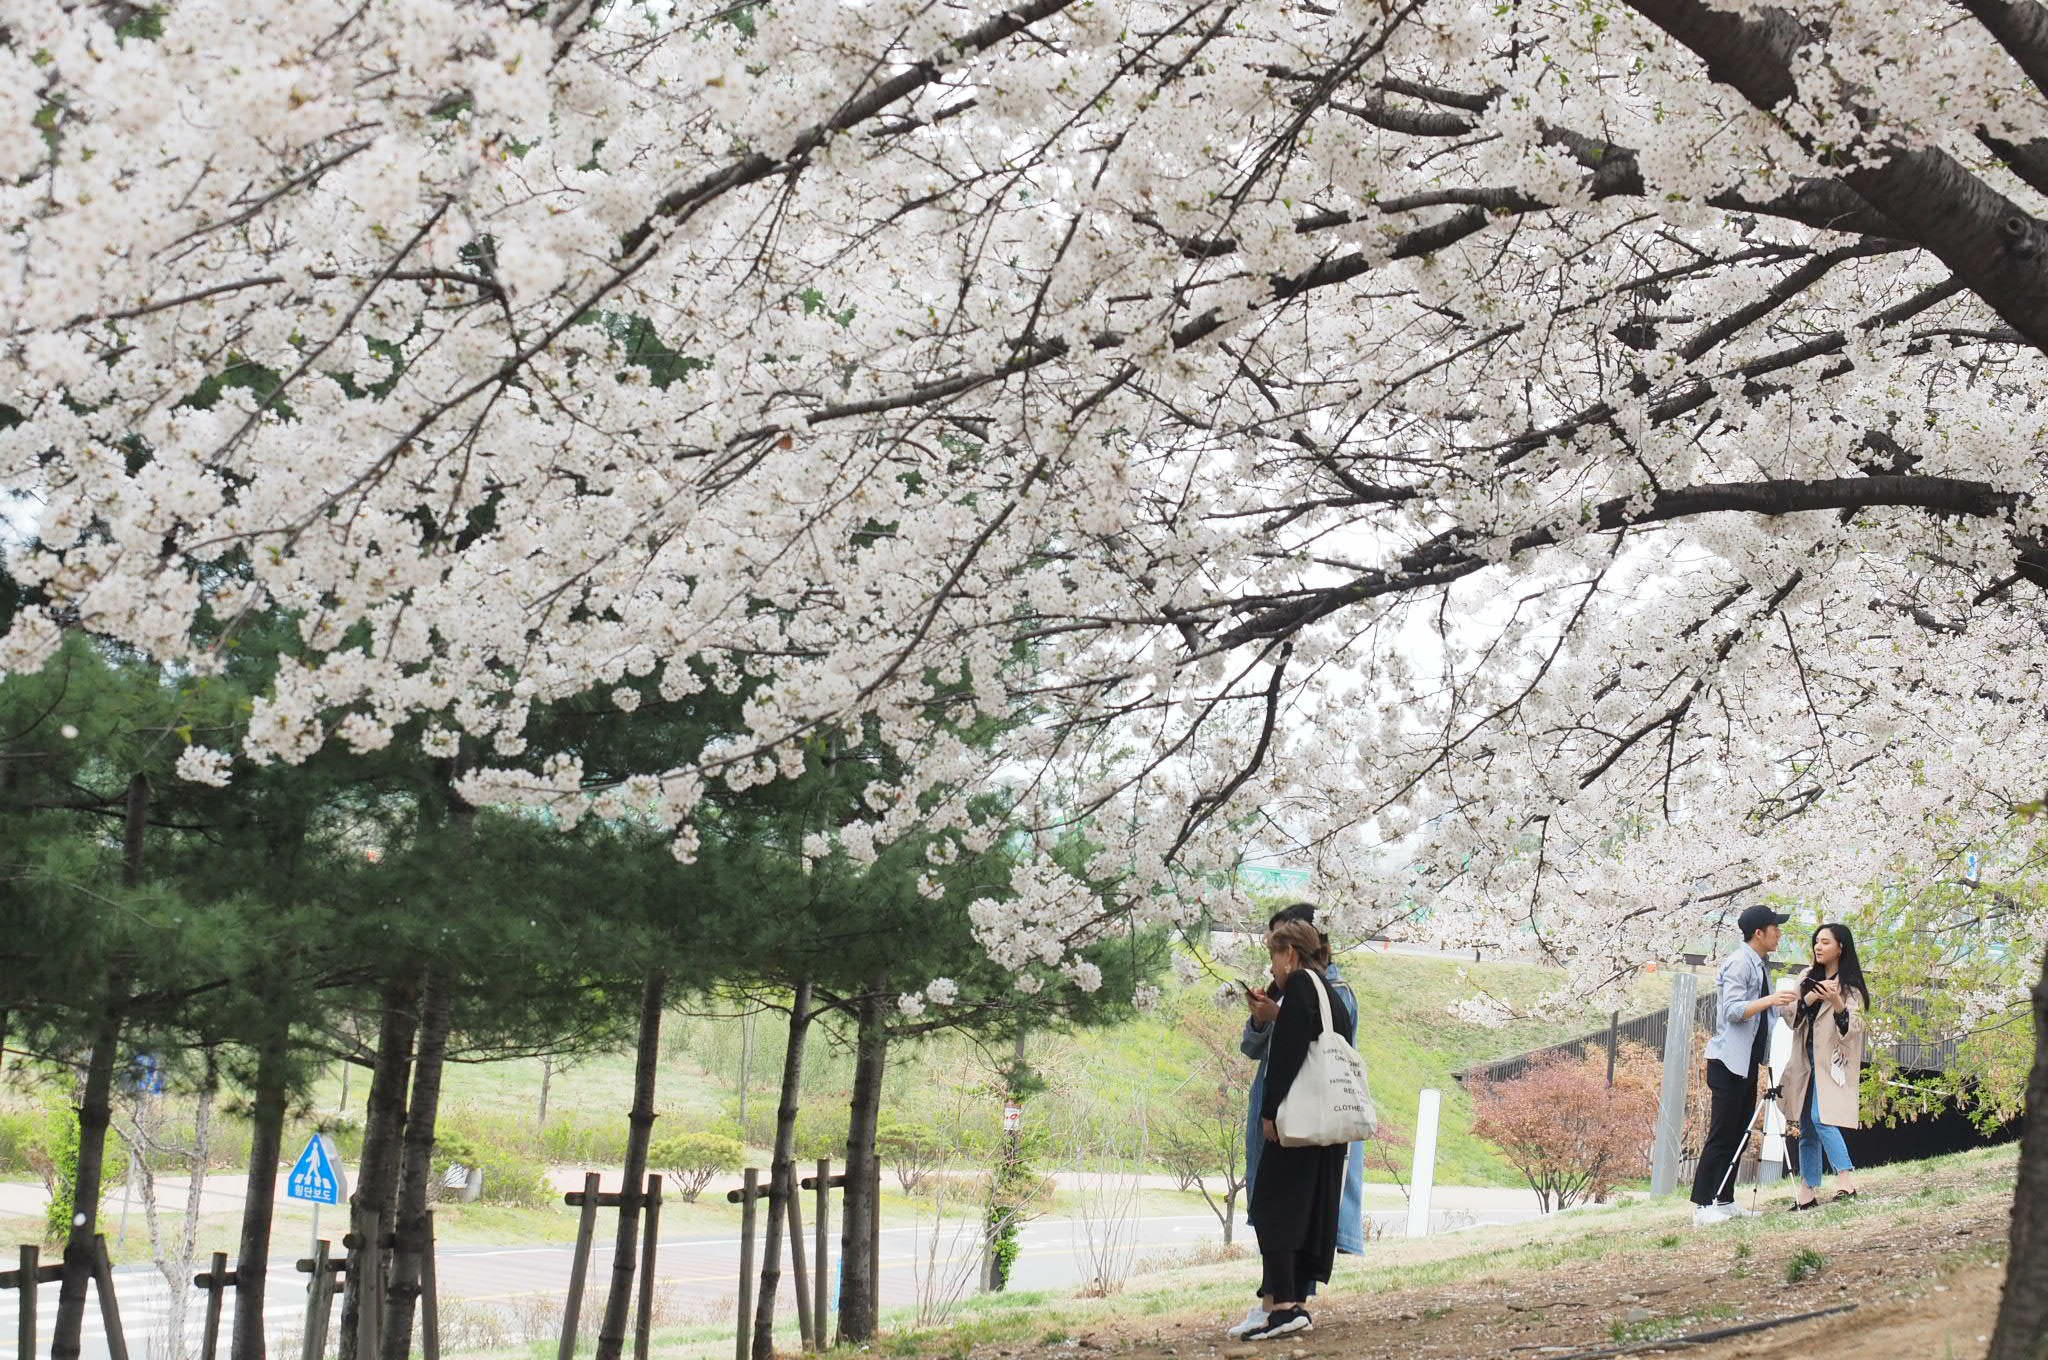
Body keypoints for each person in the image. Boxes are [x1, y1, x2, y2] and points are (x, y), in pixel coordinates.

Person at [1228, 904, 1367, 1339]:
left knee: (1279, 1208)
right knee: (1292, 1208)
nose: (1271, 963)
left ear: (1290, 952)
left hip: (1299, 1117)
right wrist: (1267, 1016)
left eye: (1274, 953)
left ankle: (1287, 1305)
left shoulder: (1313, 987)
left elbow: (1293, 1051)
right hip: (1313, 1118)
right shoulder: (1314, 988)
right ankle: (1279, 1305)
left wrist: (1270, 1112)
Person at [1691, 904, 1799, 1226]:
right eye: (1775, 928)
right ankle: (1702, 1206)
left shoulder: (1760, 965)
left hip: (1747, 1062)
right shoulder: (1740, 963)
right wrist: (1771, 1000)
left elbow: (1765, 1014)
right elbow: (1733, 1011)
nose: (1779, 933)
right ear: (1758, 932)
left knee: (1739, 1133)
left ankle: (1724, 1200)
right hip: (1727, 1062)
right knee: (1722, 1134)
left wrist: (1797, 1000)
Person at [1776, 923, 1868, 1209]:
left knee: (1821, 1117)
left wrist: (1837, 1002)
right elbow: (1790, 1018)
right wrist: (1811, 997)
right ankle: (1808, 1190)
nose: (1818, 947)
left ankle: (1845, 1180)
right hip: (1803, 1062)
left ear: (1841, 947)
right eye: (1816, 942)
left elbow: (1854, 1030)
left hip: (1832, 1065)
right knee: (1806, 1126)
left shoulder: (1851, 986)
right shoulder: (1805, 978)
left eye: (1825, 942)